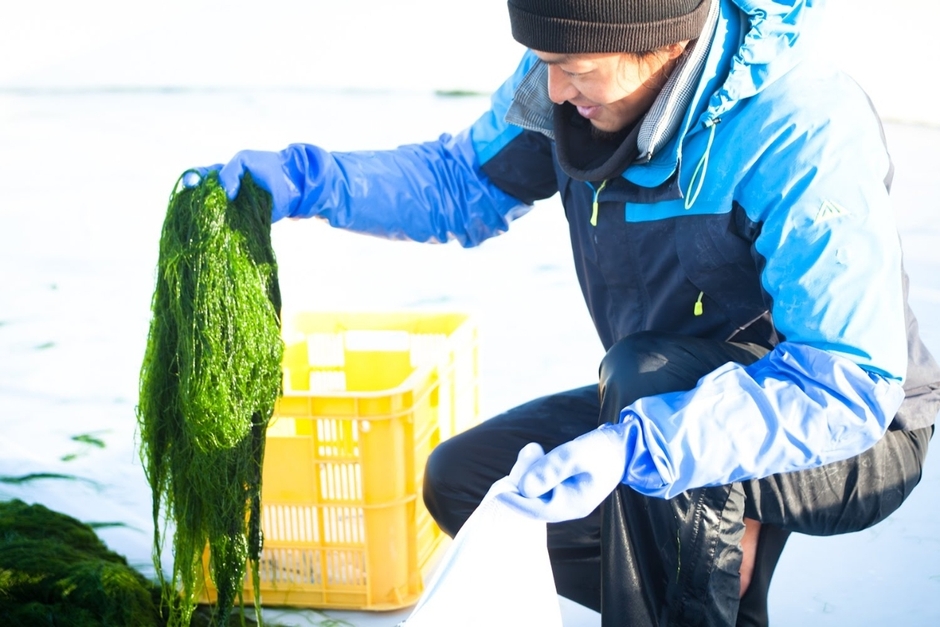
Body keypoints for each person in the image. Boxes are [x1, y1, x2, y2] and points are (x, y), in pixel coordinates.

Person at [189, 0, 939, 624]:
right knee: (464, 481)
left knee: (644, 384)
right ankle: (719, 565)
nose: (551, 90)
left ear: (663, 43)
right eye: (544, 62)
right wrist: (310, 181)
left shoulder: (801, 127)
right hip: (659, 398)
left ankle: (708, 571)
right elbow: (460, 184)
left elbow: (848, 382)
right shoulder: (568, 80)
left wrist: (636, 446)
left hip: (854, 427)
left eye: (573, 69)